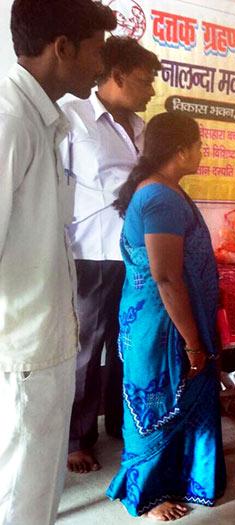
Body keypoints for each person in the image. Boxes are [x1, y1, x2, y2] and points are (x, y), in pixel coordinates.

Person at [0, 2, 115, 524]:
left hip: (43, 349)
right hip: (20, 355)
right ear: (62, 46)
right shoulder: (10, 122)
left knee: (39, 494)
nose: (102, 64)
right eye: (97, 49)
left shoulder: (45, 121)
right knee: (20, 499)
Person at [107, 112, 227, 521]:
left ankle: (184, 476)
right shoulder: (158, 196)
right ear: (180, 151)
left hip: (166, 318)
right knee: (158, 400)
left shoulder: (165, 190)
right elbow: (165, 275)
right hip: (162, 324)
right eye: (198, 144)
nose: (201, 152)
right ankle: (149, 494)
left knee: (181, 397)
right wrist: (193, 341)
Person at [60, 36, 161, 474]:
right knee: (87, 347)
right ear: (116, 76)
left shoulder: (143, 128)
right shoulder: (72, 118)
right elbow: (55, 186)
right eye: (144, 81)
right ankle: (77, 438)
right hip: (93, 253)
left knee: (129, 346)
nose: (152, 91)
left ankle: (123, 424)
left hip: (136, 254)